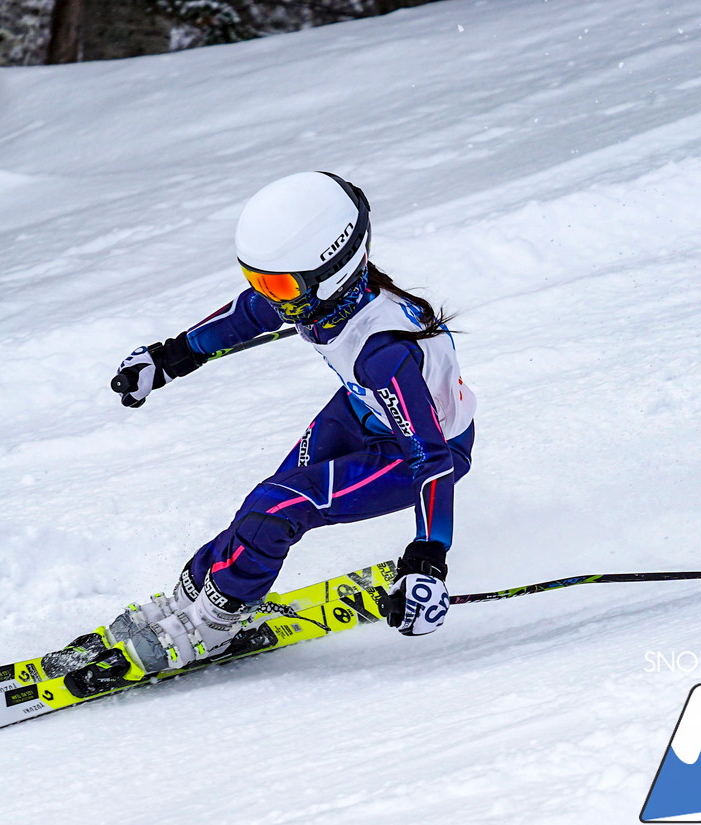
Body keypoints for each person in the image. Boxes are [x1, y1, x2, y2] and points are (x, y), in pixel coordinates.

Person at [108, 171, 476, 675]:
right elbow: (247, 316)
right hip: (363, 411)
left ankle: (215, 623)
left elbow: (430, 460)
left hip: (420, 451)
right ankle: (195, 592)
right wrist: (167, 359)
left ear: (333, 270)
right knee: (269, 497)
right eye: (258, 279)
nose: (270, 295)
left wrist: (428, 561)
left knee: (276, 509)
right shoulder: (312, 296)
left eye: (277, 284)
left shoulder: (383, 353)